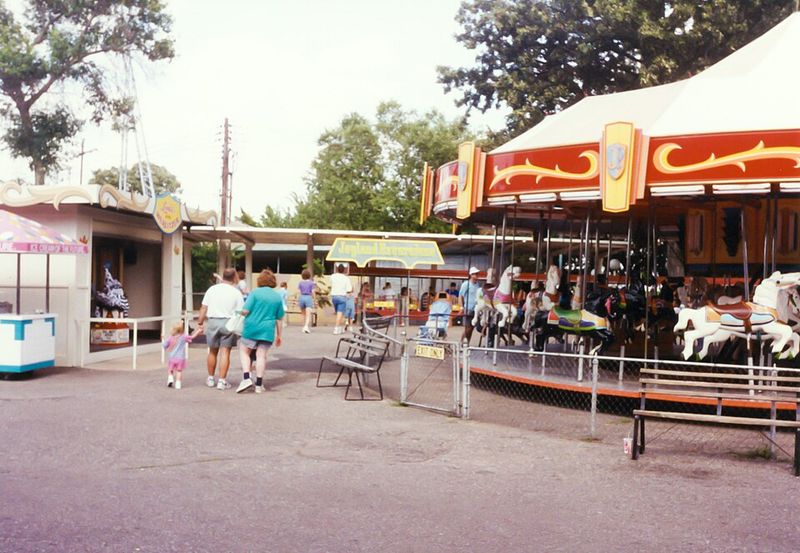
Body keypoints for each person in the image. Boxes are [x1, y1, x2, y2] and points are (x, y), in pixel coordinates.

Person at [237, 270, 284, 394]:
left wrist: (237, 313)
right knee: (261, 355)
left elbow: (245, 311)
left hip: (251, 328)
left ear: (260, 280)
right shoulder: (277, 297)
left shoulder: (255, 293)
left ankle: (246, 377)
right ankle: (259, 384)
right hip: (267, 330)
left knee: (244, 351)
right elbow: (279, 318)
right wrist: (279, 335)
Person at [197, 268, 244, 391]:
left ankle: (211, 378)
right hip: (228, 323)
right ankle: (222, 381)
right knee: (225, 352)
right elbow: (240, 312)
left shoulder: (212, 289)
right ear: (234, 277)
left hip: (213, 321)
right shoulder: (236, 292)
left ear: (223, 276)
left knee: (212, 351)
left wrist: (200, 322)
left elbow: (203, 308)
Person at [162, 322, 203, 390]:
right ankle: (178, 384)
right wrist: (198, 331)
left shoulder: (170, 338)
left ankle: (170, 378)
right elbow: (192, 337)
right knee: (179, 371)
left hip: (172, 357)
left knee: (170, 369)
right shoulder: (183, 337)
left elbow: (164, 345)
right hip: (180, 358)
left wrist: (163, 339)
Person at [459, 266, 482, 345]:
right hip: (468, 308)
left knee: (471, 328)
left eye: (477, 274)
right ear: (471, 275)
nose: (476, 276)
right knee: (467, 328)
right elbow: (461, 296)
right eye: (475, 274)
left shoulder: (477, 285)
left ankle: (467, 343)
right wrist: (462, 307)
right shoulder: (466, 284)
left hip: (475, 309)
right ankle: (461, 343)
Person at [330, 264, 353, 335]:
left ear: (337, 269)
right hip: (342, 297)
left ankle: (339, 327)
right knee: (340, 313)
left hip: (334, 297)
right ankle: (336, 328)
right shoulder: (346, 278)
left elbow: (331, 283)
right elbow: (349, 289)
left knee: (338, 313)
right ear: (344, 270)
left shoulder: (332, 276)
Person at [298, 269, 315, 334]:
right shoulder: (311, 283)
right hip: (308, 297)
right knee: (308, 314)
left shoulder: (300, 283)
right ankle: (306, 326)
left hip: (302, 297)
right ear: (309, 275)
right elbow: (313, 292)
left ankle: (303, 327)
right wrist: (314, 299)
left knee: (303, 314)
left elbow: (299, 292)